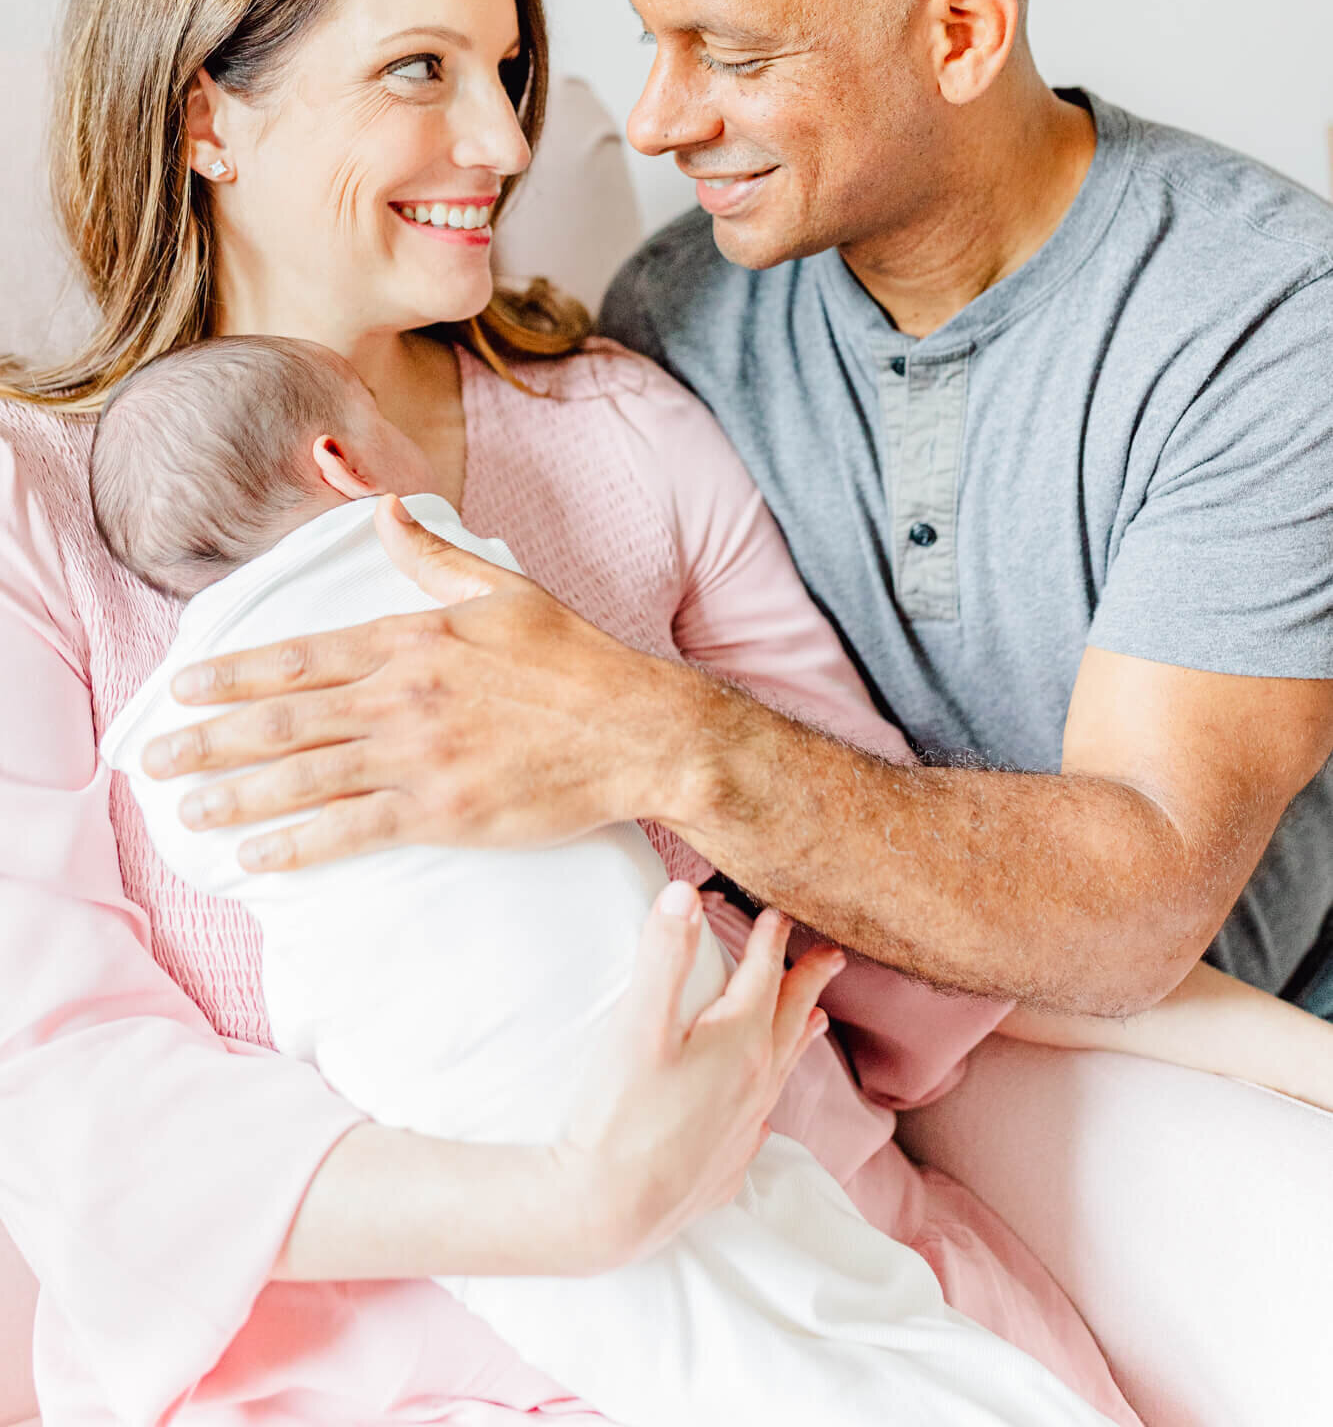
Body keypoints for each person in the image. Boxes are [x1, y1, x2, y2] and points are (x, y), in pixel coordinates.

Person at [0, 0, 1139, 1426]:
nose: (502, 143)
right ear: (205, 116)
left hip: (802, 1254)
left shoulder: (619, 431)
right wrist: (570, 1205)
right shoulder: (37, 517)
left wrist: (645, 737)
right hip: (355, 1352)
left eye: (509, 73)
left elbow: (892, 910)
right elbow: (57, 1083)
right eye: (420, 71)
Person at [156, 0, 1333, 1029]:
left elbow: (1139, 918)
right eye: (652, 39)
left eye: (727, 52)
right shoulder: (679, 308)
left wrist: (662, 740)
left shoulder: (1267, 318)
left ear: (960, 33)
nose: (651, 123)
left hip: (1231, 1046)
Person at [94, 332, 1128, 1427]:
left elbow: (213, 846)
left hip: (443, 1100)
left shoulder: (176, 714)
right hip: (628, 1024)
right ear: (346, 462)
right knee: (830, 1291)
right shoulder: (428, 550)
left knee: (675, 1339)